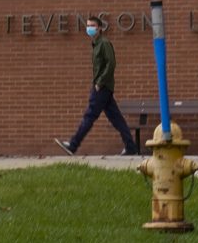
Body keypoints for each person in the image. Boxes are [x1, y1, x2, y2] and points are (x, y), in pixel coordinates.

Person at [55, 15, 140, 156]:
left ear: (99, 28)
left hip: (101, 87)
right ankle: (131, 147)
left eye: (92, 26)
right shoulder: (96, 45)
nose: (89, 28)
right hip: (103, 87)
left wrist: (100, 82)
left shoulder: (104, 43)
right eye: (88, 25)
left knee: (89, 116)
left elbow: (111, 63)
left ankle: (73, 145)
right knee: (117, 119)